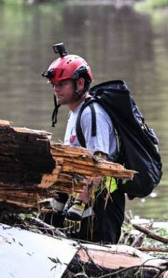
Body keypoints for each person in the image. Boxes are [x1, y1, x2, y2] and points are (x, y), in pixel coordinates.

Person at [40, 43, 125, 244]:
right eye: (54, 84)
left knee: (100, 258)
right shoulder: (76, 113)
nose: (55, 89)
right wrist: (60, 199)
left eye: (61, 84)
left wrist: (80, 202)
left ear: (79, 83)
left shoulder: (91, 114)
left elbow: (100, 163)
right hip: (85, 201)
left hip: (103, 203)